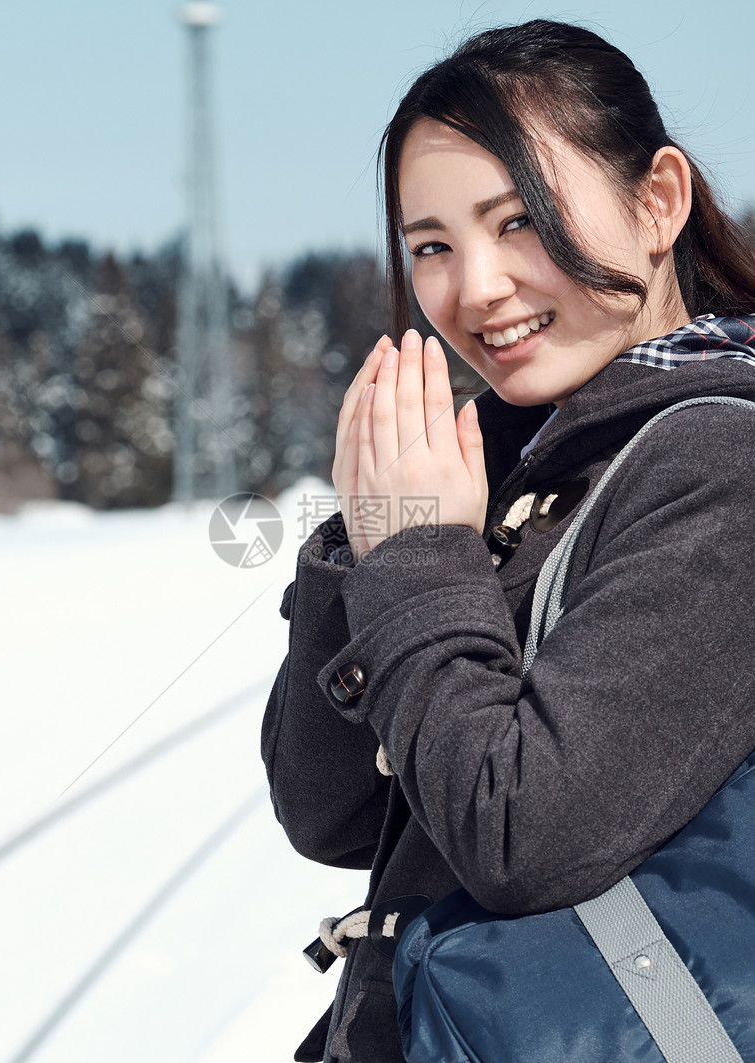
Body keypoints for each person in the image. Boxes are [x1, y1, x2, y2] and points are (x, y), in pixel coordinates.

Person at [262, 19, 755, 1063]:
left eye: (518, 219)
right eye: (431, 245)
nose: (472, 289)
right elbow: (329, 813)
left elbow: (522, 836)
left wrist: (413, 555)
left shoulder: (717, 465)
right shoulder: (503, 466)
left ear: (656, 200)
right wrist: (364, 542)